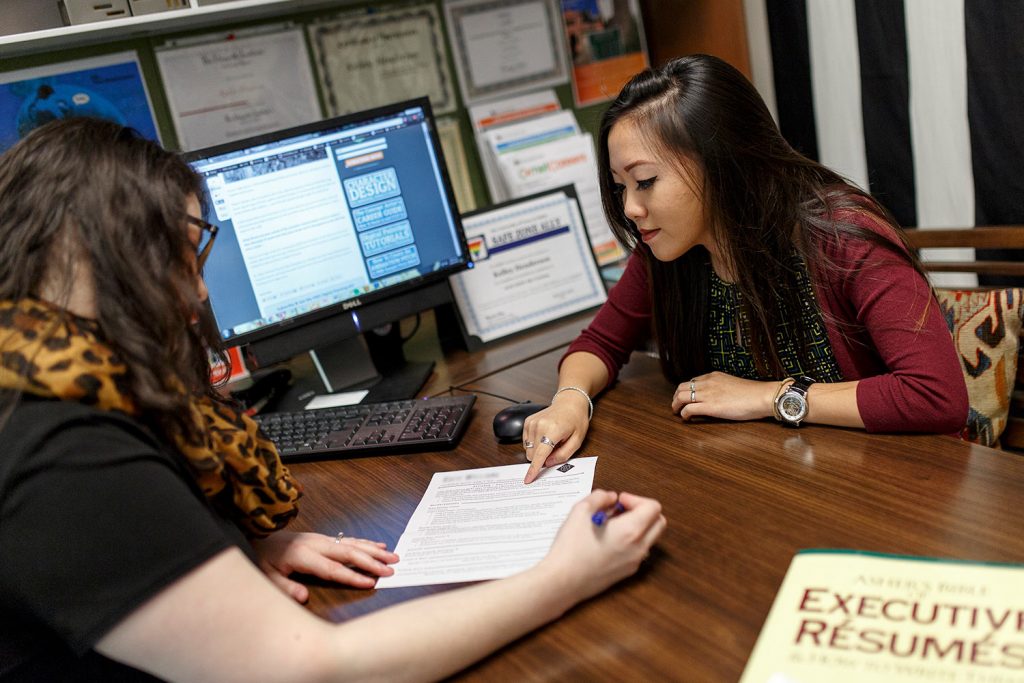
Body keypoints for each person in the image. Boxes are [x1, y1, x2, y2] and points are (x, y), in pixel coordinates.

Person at [0, 118, 666, 681]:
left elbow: (102, 552)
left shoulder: (42, 379)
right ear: (117, 260)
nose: (200, 295)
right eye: (183, 258)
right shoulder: (63, 449)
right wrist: (567, 574)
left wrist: (214, 553)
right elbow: (314, 668)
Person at [522, 54, 968, 484]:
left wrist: (769, 395)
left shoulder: (843, 235)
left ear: (720, 162)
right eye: (621, 188)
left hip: (894, 483)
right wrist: (570, 400)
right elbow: (599, 343)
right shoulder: (668, 249)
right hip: (768, 479)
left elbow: (935, 396)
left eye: (646, 182)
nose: (631, 207)